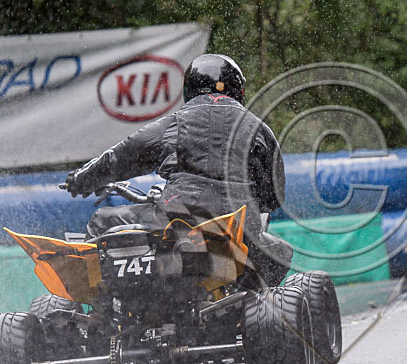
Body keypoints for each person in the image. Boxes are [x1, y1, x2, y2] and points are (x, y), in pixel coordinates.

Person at [65, 54, 292, 287]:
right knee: (281, 252)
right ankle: (256, 301)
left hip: (178, 218)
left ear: (190, 87)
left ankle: (99, 301)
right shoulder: (260, 130)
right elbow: (274, 198)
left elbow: (120, 156)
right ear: (238, 89)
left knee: (101, 221)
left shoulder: (176, 122)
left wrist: (82, 179)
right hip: (238, 230)